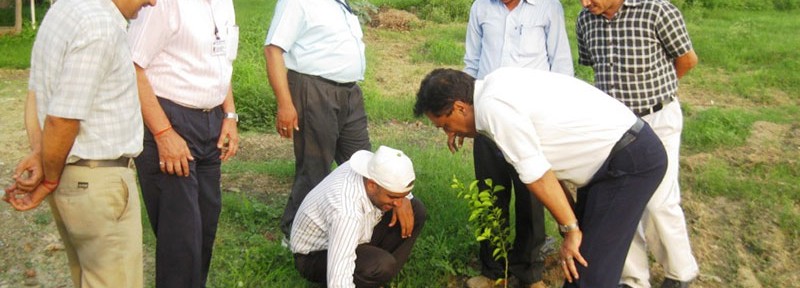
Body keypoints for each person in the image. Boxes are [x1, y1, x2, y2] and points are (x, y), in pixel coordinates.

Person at [414, 67, 668, 287]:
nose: (449, 132)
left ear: (459, 107)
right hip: (612, 158)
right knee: (585, 256)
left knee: (587, 270)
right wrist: (572, 222)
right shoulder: (494, 85)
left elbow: (537, 176)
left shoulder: (494, 109)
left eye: (445, 125)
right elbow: (546, 167)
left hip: (628, 162)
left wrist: (571, 230)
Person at [2, 0, 155, 286]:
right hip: (98, 182)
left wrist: (43, 156)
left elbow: (37, 93)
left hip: (72, 178)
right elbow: (62, 118)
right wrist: (48, 178)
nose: (153, 2)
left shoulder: (63, 9)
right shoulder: (99, 25)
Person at [575, 0, 699, 287]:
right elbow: (594, 66)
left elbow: (687, 60)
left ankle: (681, 272)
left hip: (657, 118)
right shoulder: (585, 21)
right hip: (613, 126)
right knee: (619, 199)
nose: (585, 3)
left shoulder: (657, 10)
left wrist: (657, 92)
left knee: (659, 201)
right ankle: (633, 278)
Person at [127, 0, 240, 286]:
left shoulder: (224, 3)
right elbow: (131, 66)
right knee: (181, 238)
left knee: (204, 229)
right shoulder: (164, 4)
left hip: (211, 121)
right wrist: (163, 133)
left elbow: (222, 62)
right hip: (169, 120)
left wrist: (229, 114)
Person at [463, 0, 573, 286]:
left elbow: (561, 66)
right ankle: (492, 271)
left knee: (532, 198)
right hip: (487, 118)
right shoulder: (480, 7)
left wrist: (558, 120)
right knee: (489, 194)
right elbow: (471, 64)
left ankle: (529, 274)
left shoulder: (548, 7)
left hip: (531, 121)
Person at [264, 0, 372, 240]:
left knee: (361, 161)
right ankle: (296, 233)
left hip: (349, 91)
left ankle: (354, 227)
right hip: (314, 88)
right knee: (314, 165)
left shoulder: (340, 3)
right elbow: (273, 50)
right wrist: (284, 103)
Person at [290, 145, 426, 288]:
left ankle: (375, 280)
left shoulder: (371, 171)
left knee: (415, 209)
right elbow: (339, 278)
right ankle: (372, 275)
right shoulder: (345, 211)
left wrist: (403, 198)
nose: (398, 203)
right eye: (393, 196)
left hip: (353, 235)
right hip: (316, 256)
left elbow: (399, 193)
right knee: (381, 265)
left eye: (401, 196)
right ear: (372, 185)